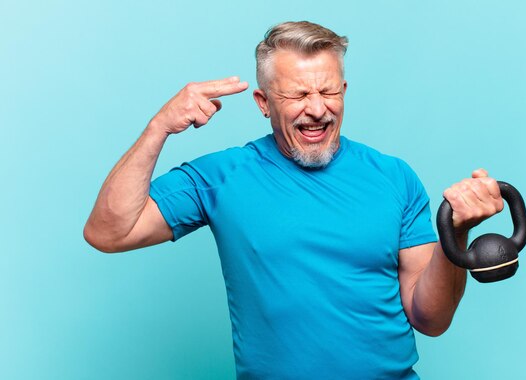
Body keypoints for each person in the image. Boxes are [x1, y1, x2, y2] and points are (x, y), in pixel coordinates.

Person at [84, 21, 504, 380]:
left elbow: (430, 319)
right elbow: (109, 232)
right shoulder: (221, 176)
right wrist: (159, 128)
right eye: (298, 95)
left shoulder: (394, 176)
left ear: (343, 90)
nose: (318, 109)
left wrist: (457, 233)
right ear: (263, 104)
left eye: (328, 92)